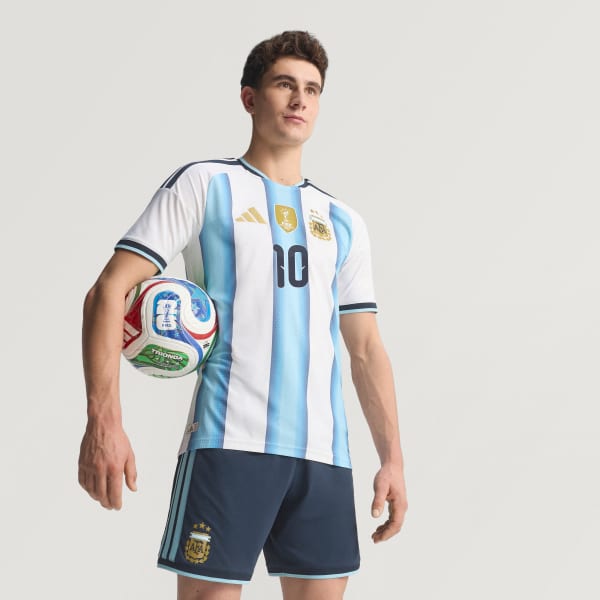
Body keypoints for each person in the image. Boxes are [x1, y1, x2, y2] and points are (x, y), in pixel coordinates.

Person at [78, 30, 408, 600]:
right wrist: (103, 421)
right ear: (250, 98)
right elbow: (107, 292)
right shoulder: (205, 185)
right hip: (229, 443)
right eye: (285, 84)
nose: (300, 99)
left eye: (312, 89)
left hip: (323, 456)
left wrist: (393, 459)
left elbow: (366, 348)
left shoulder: (343, 221)